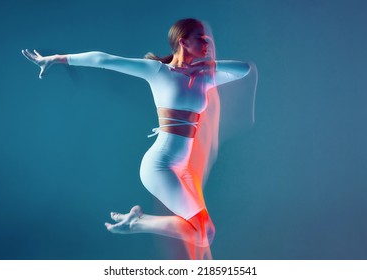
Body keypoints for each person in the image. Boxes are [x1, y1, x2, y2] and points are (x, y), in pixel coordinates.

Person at [22, 18, 252, 260]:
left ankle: (137, 222)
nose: (207, 43)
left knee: (206, 233)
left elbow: (244, 69)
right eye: (200, 38)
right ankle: (137, 223)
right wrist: (56, 58)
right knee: (203, 232)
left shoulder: (204, 78)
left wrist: (205, 66)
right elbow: (104, 59)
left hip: (180, 168)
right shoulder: (158, 71)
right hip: (159, 166)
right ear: (183, 41)